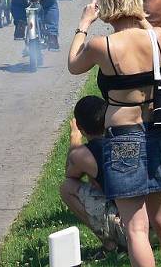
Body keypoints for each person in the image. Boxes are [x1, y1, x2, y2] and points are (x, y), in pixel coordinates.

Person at [68, 0, 161, 267]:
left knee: (136, 227)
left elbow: (73, 65)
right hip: (155, 131)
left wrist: (84, 23)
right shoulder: (159, 37)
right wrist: (144, 23)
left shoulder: (102, 45)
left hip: (123, 136)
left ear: (107, 5)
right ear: (135, 0)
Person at [60, 95, 126, 252]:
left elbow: (70, 175)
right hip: (156, 224)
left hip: (129, 232)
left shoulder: (82, 155)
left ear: (80, 127)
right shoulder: (125, 136)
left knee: (66, 188)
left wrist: (75, 141)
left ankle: (109, 243)